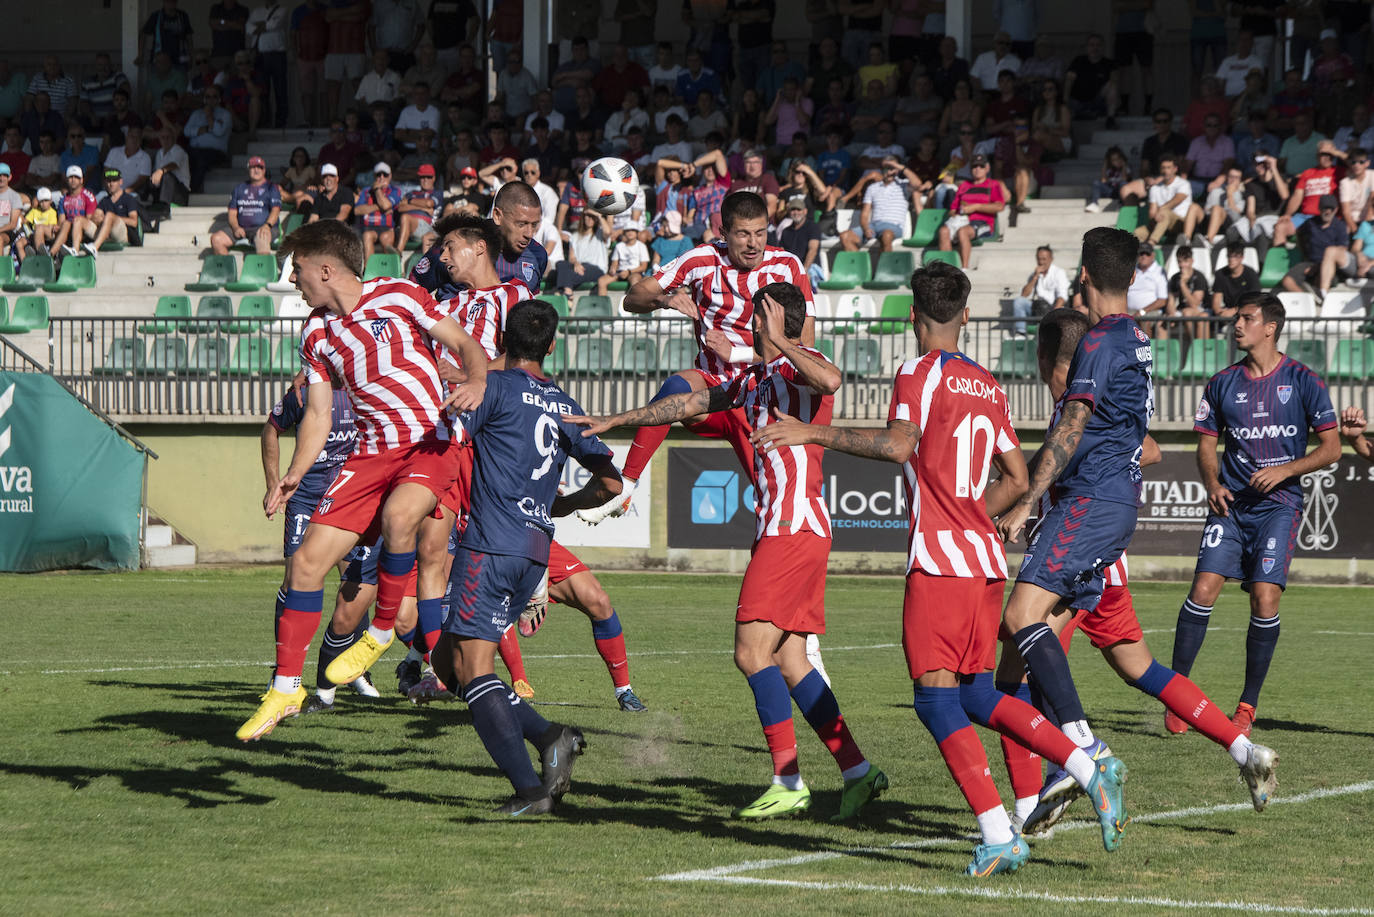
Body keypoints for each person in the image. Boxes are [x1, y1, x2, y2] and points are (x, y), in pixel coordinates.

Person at [748, 264, 1124, 874]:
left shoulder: (916, 372)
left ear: (913, 319)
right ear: (966, 316)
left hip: (941, 563)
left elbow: (899, 445)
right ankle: (1086, 765)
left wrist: (809, 431)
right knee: (976, 691)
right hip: (984, 561)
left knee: (933, 701)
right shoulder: (988, 383)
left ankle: (1005, 827)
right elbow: (1018, 478)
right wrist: (974, 513)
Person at [571, 282, 885, 821]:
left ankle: (787, 780)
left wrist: (780, 340)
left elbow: (831, 379)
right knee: (788, 658)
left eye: (757, 314)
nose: (747, 321)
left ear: (775, 319)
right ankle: (858, 771)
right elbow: (688, 403)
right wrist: (617, 421)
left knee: (749, 652)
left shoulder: (798, 367)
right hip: (788, 529)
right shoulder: (754, 381)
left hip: (792, 527)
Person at [996, 308, 1278, 838]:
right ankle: (1243, 748)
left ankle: (1041, 793)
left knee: (1018, 664)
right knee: (1140, 670)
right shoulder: (1089, 403)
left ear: (1045, 359)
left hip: (1081, 550)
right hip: (1101, 556)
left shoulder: (1078, 402)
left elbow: (1136, 449)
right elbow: (1139, 448)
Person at [235, 219, 490, 742]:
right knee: (305, 565)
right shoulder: (314, 332)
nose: (292, 279)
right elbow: (319, 415)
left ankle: (380, 631)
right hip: (370, 455)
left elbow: (465, 344)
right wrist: (293, 474)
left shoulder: (399, 293)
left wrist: (479, 381)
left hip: (431, 440)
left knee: (400, 516)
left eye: (298, 268)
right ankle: (285, 690)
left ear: (325, 268)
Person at [415, 299, 616, 815]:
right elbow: (610, 484)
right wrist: (562, 504)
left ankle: (531, 790)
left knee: (474, 670)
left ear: (501, 340)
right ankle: (551, 735)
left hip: (488, 544)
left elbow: (447, 427)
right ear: (552, 346)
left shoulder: (493, 388)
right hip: (534, 549)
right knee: (449, 662)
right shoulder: (565, 403)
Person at [994, 226, 1153, 848]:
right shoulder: (1138, 339)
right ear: (1130, 278)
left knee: (1020, 617)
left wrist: (1028, 501)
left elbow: (1073, 422)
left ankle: (1087, 752)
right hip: (1115, 503)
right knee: (1025, 653)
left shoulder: (1098, 343)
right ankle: (1053, 776)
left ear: (1083, 274)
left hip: (1091, 501)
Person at [576, 192, 817, 524]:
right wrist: (664, 300)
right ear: (723, 232)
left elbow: (806, 346)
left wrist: (742, 353)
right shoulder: (701, 259)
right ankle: (626, 484)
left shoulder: (787, 265)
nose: (753, 243)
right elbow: (633, 298)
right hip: (713, 392)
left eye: (760, 233)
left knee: (772, 502)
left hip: (761, 396)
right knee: (676, 385)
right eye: (743, 234)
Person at [1170, 293, 1340, 738]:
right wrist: (1212, 483)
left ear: (1271, 327)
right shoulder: (1222, 382)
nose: (1236, 325)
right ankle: (1178, 696)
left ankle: (1246, 706)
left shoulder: (1304, 380)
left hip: (1278, 508)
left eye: (1247, 318)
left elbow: (1332, 448)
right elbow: (1207, 443)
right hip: (1231, 507)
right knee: (1203, 588)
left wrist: (1286, 469)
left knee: (1264, 598)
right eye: (1237, 318)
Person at [261, 378, 383, 712]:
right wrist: (274, 484)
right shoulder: (303, 394)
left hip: (348, 498)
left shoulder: (369, 390)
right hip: (307, 498)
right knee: (295, 579)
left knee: (355, 584)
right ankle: (284, 673)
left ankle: (355, 670)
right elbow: (270, 430)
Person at [409, 180, 547, 299]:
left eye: (534, 224)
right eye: (521, 224)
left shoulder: (537, 255)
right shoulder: (456, 243)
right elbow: (411, 294)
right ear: (498, 215)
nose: (529, 234)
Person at [936, 153, 1006, 268]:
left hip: (984, 223)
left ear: (987, 168)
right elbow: (952, 210)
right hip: (962, 220)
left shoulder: (993, 185)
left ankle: (964, 269)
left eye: (981, 166)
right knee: (943, 231)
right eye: (974, 166)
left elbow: (999, 206)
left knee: (963, 231)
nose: (977, 169)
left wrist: (976, 207)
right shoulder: (964, 185)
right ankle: (947, 269)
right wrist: (958, 212)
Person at [839, 157, 917, 252]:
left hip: (893, 226)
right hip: (873, 225)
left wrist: (898, 166)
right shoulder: (872, 187)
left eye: (891, 168)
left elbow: (918, 184)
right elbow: (865, 213)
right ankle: (861, 266)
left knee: (886, 236)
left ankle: (884, 267)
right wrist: (866, 228)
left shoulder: (903, 185)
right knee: (845, 236)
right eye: (886, 168)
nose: (888, 171)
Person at [210, 155, 281, 255]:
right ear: (248, 169)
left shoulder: (272, 187)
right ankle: (227, 270)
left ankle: (262, 270)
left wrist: (267, 226)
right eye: (253, 167)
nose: (256, 170)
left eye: (259, 167)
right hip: (242, 229)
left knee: (262, 238)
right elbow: (232, 213)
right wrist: (235, 228)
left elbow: (276, 210)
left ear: (264, 170)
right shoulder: (239, 188)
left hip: (264, 228)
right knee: (216, 239)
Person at [1134, 154, 1203, 245]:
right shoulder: (1155, 188)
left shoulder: (1183, 184)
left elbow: (1177, 200)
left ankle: (1151, 244)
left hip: (1182, 223)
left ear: (1175, 169)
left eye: (1168, 167)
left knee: (1165, 213)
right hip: (1162, 222)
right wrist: (1156, 216)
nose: (1165, 171)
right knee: (1137, 233)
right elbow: (1152, 213)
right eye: (1163, 168)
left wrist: (1161, 211)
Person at [1064, 33, 1119, 128]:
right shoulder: (1079, 60)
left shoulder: (1109, 63)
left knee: (1112, 85)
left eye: (1098, 45)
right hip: (1077, 102)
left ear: (1103, 47)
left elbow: (1114, 81)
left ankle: (1110, 119)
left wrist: (1118, 100)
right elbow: (1069, 80)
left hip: (1097, 102)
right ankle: (1083, 113)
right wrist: (1065, 101)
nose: (1095, 48)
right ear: (1087, 47)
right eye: (1092, 45)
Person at [1011, 244, 1068, 335]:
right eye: (1039, 259)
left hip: (1052, 309)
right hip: (1037, 309)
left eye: (1044, 259)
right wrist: (1035, 277)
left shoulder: (1059, 273)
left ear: (1051, 259)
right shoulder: (1034, 275)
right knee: (1018, 301)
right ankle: (1021, 332)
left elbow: (1062, 296)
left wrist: (1052, 315)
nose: (1041, 262)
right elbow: (1024, 295)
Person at [183, 86, 232, 193]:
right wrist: (206, 129)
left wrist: (209, 116)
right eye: (208, 97)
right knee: (180, 157)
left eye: (214, 97)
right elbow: (186, 131)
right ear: (204, 99)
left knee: (200, 160)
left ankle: (192, 193)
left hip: (216, 153)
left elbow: (219, 132)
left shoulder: (225, 115)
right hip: (194, 150)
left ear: (219, 99)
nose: (211, 100)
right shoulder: (196, 114)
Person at [353, 161, 402, 259]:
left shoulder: (395, 190)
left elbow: (386, 205)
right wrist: (381, 207)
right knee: (367, 235)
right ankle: (369, 270)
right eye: (378, 175)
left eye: (385, 175)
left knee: (385, 238)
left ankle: (391, 267)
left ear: (390, 176)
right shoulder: (366, 191)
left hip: (388, 227)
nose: (381, 177)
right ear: (374, 176)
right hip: (369, 227)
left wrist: (377, 190)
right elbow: (357, 210)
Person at [49, 165, 98, 258]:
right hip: (69, 229)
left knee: (77, 220)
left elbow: (89, 218)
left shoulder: (88, 196)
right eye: (71, 177)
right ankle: (51, 254)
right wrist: (58, 227)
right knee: (65, 223)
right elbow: (61, 221)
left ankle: (75, 250)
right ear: (67, 180)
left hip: (87, 229)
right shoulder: (63, 199)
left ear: (81, 180)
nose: (73, 180)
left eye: (76, 177)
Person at [89, 169, 142, 254]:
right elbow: (95, 217)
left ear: (120, 182)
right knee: (79, 220)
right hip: (106, 232)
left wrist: (113, 218)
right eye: (108, 181)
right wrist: (104, 220)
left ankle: (95, 247)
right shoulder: (104, 200)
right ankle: (74, 250)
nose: (111, 184)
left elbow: (134, 222)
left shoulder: (129, 199)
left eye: (114, 181)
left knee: (109, 215)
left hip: (123, 233)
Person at [393, 163, 442, 252]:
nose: (425, 180)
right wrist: (422, 208)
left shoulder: (437, 193)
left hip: (427, 228)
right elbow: (400, 208)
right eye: (422, 177)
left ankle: (398, 252)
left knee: (405, 217)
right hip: (406, 226)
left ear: (434, 178)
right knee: (387, 232)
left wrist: (409, 202)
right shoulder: (412, 193)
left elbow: (429, 203)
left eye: (428, 177)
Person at [1167, 245, 1211, 340]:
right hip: (1183, 310)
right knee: (1161, 323)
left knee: (1188, 313)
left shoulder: (1199, 277)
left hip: (1203, 308)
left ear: (1191, 261)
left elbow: (1195, 304)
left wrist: (1183, 284)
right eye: (1179, 261)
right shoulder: (1175, 278)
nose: (1182, 265)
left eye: (1185, 261)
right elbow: (1171, 300)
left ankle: (1194, 345)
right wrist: (1171, 314)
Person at [1211, 241, 1261, 320]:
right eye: (1229, 256)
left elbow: (1254, 301)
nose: (1231, 259)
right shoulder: (1220, 274)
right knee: (1205, 317)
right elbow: (1216, 300)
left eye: (1235, 257)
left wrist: (1234, 311)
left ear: (1242, 258)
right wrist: (1219, 312)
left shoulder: (1251, 275)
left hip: (1246, 313)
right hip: (1226, 312)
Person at [1126, 240, 1169, 332]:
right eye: (1141, 254)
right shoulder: (1130, 271)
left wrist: (1142, 311)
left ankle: (1146, 346)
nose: (1144, 256)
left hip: (1150, 312)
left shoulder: (1159, 272)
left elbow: (1162, 301)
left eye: (1147, 254)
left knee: (1144, 320)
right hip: (1129, 310)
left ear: (1153, 255)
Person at [598, 225, 649, 295]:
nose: (630, 232)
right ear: (624, 233)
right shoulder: (619, 246)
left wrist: (629, 272)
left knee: (635, 281)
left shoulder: (641, 246)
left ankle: (633, 304)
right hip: (620, 272)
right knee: (601, 281)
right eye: (627, 230)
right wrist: (613, 269)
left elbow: (643, 267)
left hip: (634, 272)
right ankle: (602, 304)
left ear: (637, 233)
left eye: (632, 230)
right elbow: (615, 263)